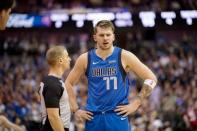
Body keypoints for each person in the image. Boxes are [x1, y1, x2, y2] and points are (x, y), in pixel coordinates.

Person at [65, 20, 157, 131]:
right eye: (101, 35)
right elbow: (68, 83)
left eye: (108, 35)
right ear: (95, 37)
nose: (105, 38)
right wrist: (75, 109)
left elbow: (151, 78)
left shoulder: (125, 56)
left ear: (113, 37)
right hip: (94, 117)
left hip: (117, 116)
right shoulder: (85, 58)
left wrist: (136, 103)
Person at [39, 46, 71, 131]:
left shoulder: (53, 81)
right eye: (67, 56)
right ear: (60, 60)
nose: (70, 59)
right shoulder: (53, 84)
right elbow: (53, 117)